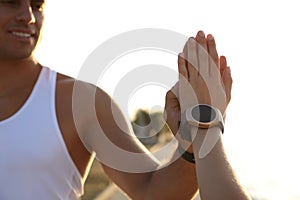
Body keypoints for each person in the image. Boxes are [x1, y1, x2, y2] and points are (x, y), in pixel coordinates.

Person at [0, 0, 251, 199]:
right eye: (10, 2)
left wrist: (193, 141)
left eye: (37, 5)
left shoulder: (81, 101)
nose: (29, 17)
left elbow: (152, 193)